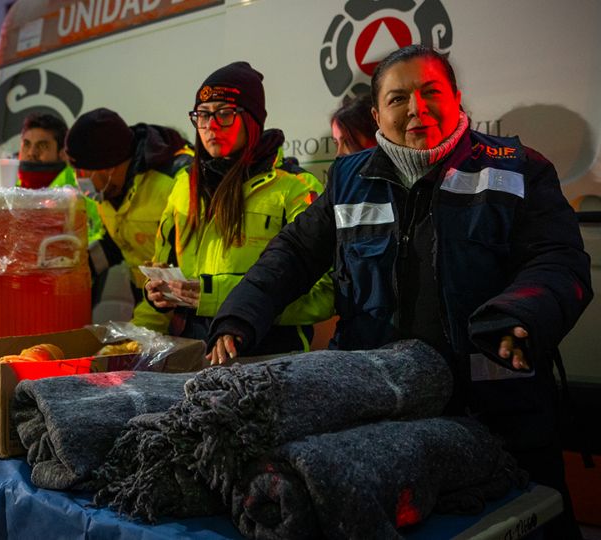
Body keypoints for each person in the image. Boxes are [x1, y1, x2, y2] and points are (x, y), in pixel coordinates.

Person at [208, 45, 592, 538]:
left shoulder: (518, 168)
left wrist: (521, 314)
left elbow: (559, 261)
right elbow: (294, 254)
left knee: (524, 525)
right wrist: (240, 316)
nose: (416, 109)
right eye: (398, 98)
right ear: (377, 114)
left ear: (455, 97)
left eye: (431, 92)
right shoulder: (349, 177)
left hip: (497, 407)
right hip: (380, 403)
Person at [135, 61, 333, 353]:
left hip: (268, 356)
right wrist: (153, 303)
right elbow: (162, 269)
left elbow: (324, 294)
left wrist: (213, 296)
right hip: (190, 354)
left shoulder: (296, 188)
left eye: (225, 114)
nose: (211, 126)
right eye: (202, 115)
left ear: (252, 120)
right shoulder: (184, 184)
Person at [64, 108, 193, 299]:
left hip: (184, 302)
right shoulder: (108, 192)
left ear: (108, 167)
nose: (78, 179)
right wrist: (78, 267)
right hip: (149, 297)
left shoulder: (176, 180)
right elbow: (117, 243)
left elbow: (187, 263)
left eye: (82, 172)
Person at [17, 113, 104, 243]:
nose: (32, 153)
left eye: (42, 146)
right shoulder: (12, 189)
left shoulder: (81, 190)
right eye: (27, 144)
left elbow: (99, 237)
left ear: (63, 153)